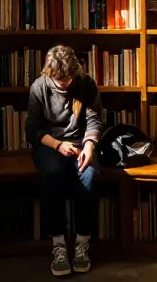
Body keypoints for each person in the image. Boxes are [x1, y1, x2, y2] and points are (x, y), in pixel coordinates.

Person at [26, 45, 104, 277]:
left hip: (81, 144)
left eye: (69, 79)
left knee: (90, 178)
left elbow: (94, 119)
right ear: (49, 73)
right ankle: (59, 244)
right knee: (53, 175)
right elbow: (32, 129)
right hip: (50, 144)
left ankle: (82, 243)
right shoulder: (39, 87)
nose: (65, 84)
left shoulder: (85, 83)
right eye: (61, 80)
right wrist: (58, 145)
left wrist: (89, 145)